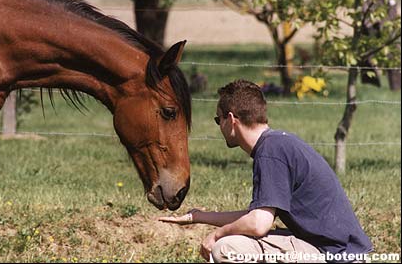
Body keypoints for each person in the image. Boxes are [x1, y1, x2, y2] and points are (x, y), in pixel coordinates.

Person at [159, 79, 373, 263]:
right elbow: (257, 215)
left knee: (226, 248)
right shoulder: (276, 144)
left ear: (231, 120)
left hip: (334, 255)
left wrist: (217, 234)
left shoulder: (270, 151)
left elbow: (259, 224)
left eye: (218, 119)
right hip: (337, 249)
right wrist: (199, 216)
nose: (219, 125)